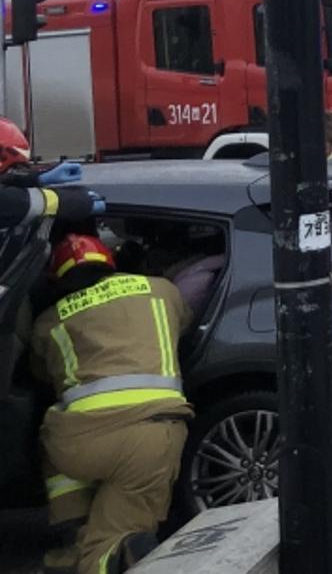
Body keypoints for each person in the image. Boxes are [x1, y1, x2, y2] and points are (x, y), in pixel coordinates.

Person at [30, 234, 190, 574]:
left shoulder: (47, 321)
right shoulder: (162, 290)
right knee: (116, 538)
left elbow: (41, 374)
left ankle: (72, 530)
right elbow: (185, 325)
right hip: (149, 440)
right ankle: (110, 557)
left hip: (77, 445)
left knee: (53, 424)